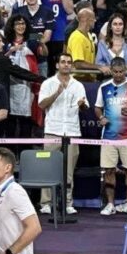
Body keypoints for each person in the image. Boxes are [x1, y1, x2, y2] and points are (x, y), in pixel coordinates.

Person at [95, 57, 127, 217]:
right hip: (108, 136)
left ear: (126, 71)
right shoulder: (103, 87)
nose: (118, 75)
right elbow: (98, 108)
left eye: (121, 72)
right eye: (115, 72)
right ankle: (110, 204)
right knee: (109, 171)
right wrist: (101, 118)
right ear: (111, 71)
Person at [37, 53, 87, 215]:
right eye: (63, 62)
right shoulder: (48, 83)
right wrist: (56, 93)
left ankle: (67, 202)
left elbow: (85, 106)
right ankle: (46, 203)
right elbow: (41, 105)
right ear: (57, 65)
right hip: (52, 131)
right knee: (47, 169)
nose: (66, 65)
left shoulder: (78, 85)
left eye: (69, 62)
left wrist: (82, 105)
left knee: (69, 171)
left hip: (72, 132)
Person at [15, 0, 55, 76]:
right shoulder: (18, 12)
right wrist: (38, 36)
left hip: (40, 57)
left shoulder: (48, 12)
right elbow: (15, 34)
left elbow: (47, 37)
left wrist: (27, 36)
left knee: (42, 86)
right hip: (22, 57)